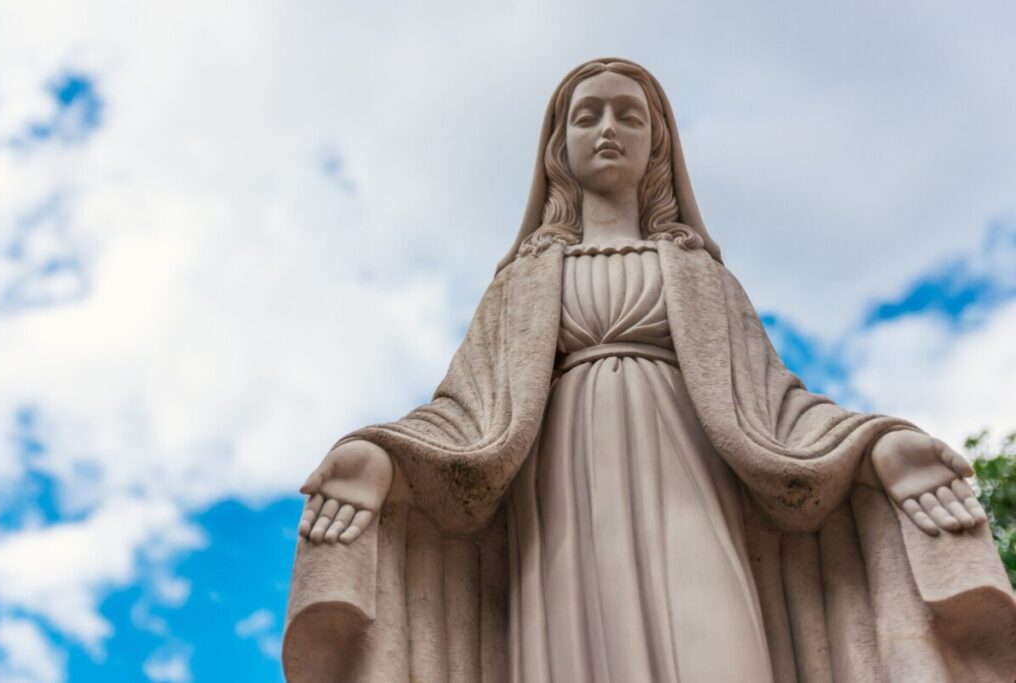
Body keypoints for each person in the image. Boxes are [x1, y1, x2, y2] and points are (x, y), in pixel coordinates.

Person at [283, 58, 1016, 682]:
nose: (607, 128)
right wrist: (378, 455)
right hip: (562, 505)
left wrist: (882, 445)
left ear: (657, 145)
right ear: (557, 147)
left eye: (629, 116)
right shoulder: (523, 282)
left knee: (717, 647)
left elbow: (779, 408)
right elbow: (466, 413)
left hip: (690, 483)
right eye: (587, 115)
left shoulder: (698, 274)